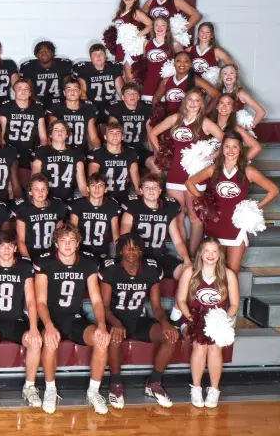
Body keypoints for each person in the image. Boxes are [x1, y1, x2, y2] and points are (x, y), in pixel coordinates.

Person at [34, 225, 110, 414]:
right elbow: (40, 302)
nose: (67, 245)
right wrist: (48, 325)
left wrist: (101, 325)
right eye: (63, 240)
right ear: (56, 243)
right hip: (50, 317)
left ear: (78, 243)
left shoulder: (87, 263)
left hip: (74, 317)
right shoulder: (46, 263)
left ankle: (93, 391)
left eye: (71, 240)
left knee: (101, 340)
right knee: (50, 340)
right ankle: (50, 390)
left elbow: (96, 300)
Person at [101, 233, 178, 409]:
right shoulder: (111, 269)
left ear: (141, 251)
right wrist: (116, 324)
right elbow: (104, 307)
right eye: (127, 247)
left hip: (138, 319)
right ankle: (115, 384)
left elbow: (156, 306)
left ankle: (154, 383)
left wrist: (165, 323)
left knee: (170, 336)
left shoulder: (150, 269)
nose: (131, 251)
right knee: (114, 338)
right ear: (120, 251)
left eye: (135, 247)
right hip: (116, 319)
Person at [186, 132, 279, 273]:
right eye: (227, 146)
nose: (230, 150)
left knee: (232, 272)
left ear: (240, 149)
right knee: (210, 272)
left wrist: (254, 208)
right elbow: (189, 183)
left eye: (235, 147)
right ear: (222, 149)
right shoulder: (213, 169)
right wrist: (205, 201)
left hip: (237, 226)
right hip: (214, 225)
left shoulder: (248, 171)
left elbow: (274, 190)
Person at [150, 88, 224, 254]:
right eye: (190, 99)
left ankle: (193, 255)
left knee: (194, 218)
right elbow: (153, 133)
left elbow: (226, 142)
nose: (193, 103)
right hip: (175, 175)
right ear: (185, 102)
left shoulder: (205, 122)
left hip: (195, 176)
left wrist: (210, 156)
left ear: (202, 104)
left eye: (197, 100)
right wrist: (163, 153)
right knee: (177, 216)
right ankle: (184, 257)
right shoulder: (176, 119)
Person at [0, 230, 42, 409]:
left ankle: (29, 387)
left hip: (16, 320)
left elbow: (31, 300)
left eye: (10, 246)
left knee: (35, 341)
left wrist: (34, 328)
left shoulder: (24, 267)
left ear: (15, 248)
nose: (6, 250)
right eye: (2, 246)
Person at [175, 237, 239, 409]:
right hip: (193, 316)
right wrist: (192, 319)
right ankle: (196, 388)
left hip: (218, 318)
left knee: (214, 347)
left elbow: (234, 304)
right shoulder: (190, 272)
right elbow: (181, 300)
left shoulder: (228, 274)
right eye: (207, 251)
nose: (210, 255)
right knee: (199, 345)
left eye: (214, 251)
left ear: (220, 254)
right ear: (200, 253)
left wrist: (223, 321)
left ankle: (214, 389)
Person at [120, 174, 191, 280]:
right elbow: (125, 239)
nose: (151, 190)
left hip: (160, 256)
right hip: (139, 258)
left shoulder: (168, 209)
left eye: (155, 187)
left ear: (160, 190)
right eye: (147, 187)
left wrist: (186, 259)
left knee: (188, 272)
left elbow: (178, 242)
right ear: (141, 190)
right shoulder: (133, 208)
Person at [0, 78, 48, 184]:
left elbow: (43, 137)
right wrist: (5, 151)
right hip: (10, 148)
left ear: (30, 93)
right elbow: (0, 136)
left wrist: (41, 154)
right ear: (14, 92)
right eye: (19, 89)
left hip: (29, 149)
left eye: (26, 89)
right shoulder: (6, 108)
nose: (23, 91)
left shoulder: (37, 108)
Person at [14, 174, 68, 262]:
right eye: (36, 189)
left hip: (52, 255)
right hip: (31, 253)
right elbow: (21, 240)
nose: (40, 192)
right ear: (30, 192)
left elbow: (59, 235)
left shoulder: (57, 206)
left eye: (43, 189)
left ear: (47, 191)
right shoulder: (24, 209)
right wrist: (28, 260)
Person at [68, 173, 121, 262]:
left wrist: (119, 255)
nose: (97, 189)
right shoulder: (78, 205)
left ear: (106, 189)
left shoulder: (112, 206)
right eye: (93, 185)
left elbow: (115, 233)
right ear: (88, 188)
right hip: (82, 250)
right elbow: (73, 232)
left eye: (100, 185)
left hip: (103, 250)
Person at [31, 120, 88, 202]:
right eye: (56, 130)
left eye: (63, 130)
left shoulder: (76, 154)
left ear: (67, 134)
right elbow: (34, 182)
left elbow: (82, 185)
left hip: (68, 200)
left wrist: (88, 203)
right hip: (47, 200)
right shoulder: (42, 152)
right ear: (50, 134)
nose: (60, 132)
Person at [106, 83, 156, 173]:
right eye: (128, 93)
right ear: (122, 97)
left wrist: (153, 152)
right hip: (122, 149)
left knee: (156, 164)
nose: (132, 96)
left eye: (135, 93)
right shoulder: (116, 109)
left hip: (139, 149)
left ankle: (152, 183)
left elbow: (150, 132)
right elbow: (113, 133)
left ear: (139, 96)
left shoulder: (145, 109)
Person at [151, 51, 219, 116]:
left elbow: (217, 95)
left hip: (188, 120)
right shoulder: (166, 81)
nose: (182, 64)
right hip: (169, 119)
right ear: (174, 63)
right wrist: (158, 112)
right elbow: (156, 97)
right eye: (178, 61)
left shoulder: (196, 80)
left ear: (190, 64)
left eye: (186, 61)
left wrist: (204, 113)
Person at [87, 123, 140, 199]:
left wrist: (140, 196)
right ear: (105, 137)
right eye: (111, 133)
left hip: (123, 195)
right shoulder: (97, 154)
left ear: (122, 137)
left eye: (118, 133)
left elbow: (136, 180)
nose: (115, 136)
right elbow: (93, 181)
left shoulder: (130, 153)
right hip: (104, 197)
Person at [47, 78, 100, 154]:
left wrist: (98, 153)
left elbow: (93, 138)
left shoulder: (88, 110)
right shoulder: (57, 109)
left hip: (82, 151)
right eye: (69, 89)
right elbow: (52, 135)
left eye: (75, 89)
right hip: (62, 151)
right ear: (64, 93)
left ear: (80, 92)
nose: (72, 91)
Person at [110, 0, 152, 81]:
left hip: (131, 48)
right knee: (125, 76)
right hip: (122, 47)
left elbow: (151, 24)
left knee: (131, 76)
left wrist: (137, 35)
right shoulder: (120, 12)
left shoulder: (136, 12)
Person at [19, 40, 73, 110]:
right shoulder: (28, 67)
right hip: (37, 102)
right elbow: (25, 86)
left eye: (47, 50)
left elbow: (70, 84)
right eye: (41, 51)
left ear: (52, 53)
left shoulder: (63, 64)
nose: (44, 53)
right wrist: (33, 101)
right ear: (36, 54)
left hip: (60, 101)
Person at [74, 43, 124, 116]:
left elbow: (121, 91)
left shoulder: (113, 67)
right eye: (95, 54)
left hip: (111, 105)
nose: (98, 56)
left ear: (105, 56)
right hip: (91, 105)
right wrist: (88, 110)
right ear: (91, 58)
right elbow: (83, 94)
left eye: (101, 53)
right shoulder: (84, 70)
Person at [139, 17, 177, 102]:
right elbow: (144, 65)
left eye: (163, 25)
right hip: (148, 84)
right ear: (153, 27)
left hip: (165, 86)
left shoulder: (174, 44)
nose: (159, 28)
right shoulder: (146, 43)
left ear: (167, 27)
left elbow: (182, 63)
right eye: (157, 25)